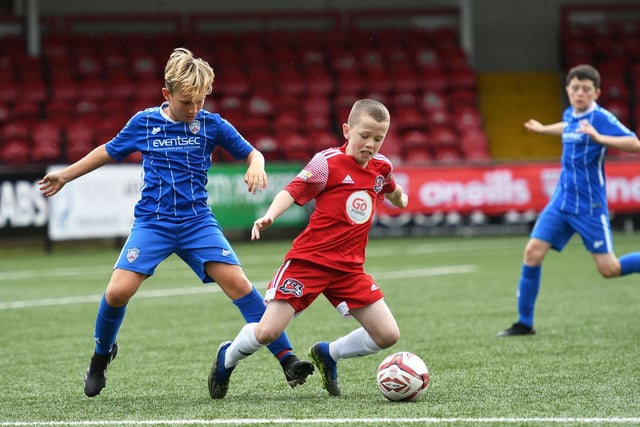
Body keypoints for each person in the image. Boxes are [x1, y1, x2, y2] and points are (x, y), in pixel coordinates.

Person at [38, 47, 313, 397]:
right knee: (117, 292)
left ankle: (287, 359)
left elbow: (251, 152)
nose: (195, 109)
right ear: (166, 95)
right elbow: (106, 151)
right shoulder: (145, 122)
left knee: (240, 285)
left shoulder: (211, 124)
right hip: (153, 223)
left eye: (200, 101)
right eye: (187, 102)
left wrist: (255, 163)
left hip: (198, 223)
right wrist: (64, 176)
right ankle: (101, 356)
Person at [207, 98, 408, 398]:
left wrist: (401, 200)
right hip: (309, 263)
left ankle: (329, 353)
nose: (371, 144)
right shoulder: (327, 163)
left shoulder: (382, 167)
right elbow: (293, 190)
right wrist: (270, 215)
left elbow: (391, 188)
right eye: (364, 135)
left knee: (388, 335)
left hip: (349, 270)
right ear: (346, 130)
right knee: (267, 332)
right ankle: (228, 356)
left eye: (378, 138)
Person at [497, 64, 640, 337]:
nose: (580, 93)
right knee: (532, 253)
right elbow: (568, 126)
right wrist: (542, 130)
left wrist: (600, 138)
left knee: (609, 269)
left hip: (589, 206)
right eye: (575, 88)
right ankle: (524, 323)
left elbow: (635, 143)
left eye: (586, 89)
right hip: (561, 202)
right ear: (568, 90)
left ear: (596, 93)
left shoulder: (601, 118)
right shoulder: (571, 113)